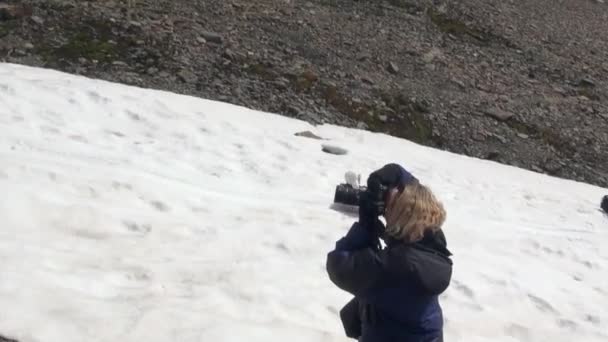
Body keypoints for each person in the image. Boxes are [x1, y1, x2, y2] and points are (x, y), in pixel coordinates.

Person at [326, 164, 453, 342]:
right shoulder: (430, 247)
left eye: (390, 209)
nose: (385, 214)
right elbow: (415, 196)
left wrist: (366, 225)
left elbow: (339, 266)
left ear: (404, 219)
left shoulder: (397, 266)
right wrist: (393, 173)